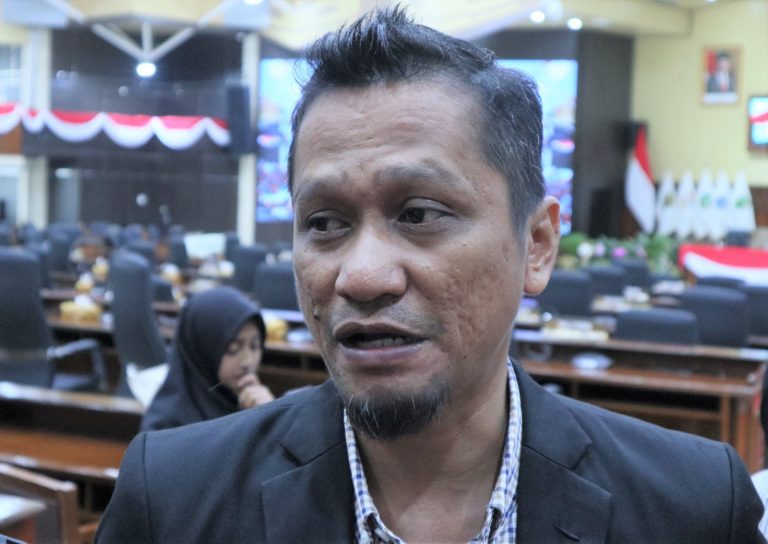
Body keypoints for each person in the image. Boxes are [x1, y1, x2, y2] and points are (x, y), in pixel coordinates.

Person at [96, 7, 764, 543]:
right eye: (324, 223)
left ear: (536, 246)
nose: (362, 277)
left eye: (419, 214)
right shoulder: (171, 500)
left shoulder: (695, 506)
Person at [140, 286, 274, 431]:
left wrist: (272, 416)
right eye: (233, 349)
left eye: (254, 346)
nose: (247, 361)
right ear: (201, 350)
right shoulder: (165, 428)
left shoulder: (252, 403)